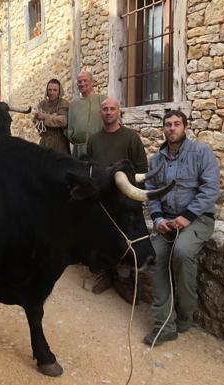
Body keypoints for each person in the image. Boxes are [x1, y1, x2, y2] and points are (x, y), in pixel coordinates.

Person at [143, 110, 219, 346]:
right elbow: (152, 193)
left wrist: (186, 217)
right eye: (168, 124)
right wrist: (157, 219)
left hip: (197, 219)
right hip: (167, 221)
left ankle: (185, 313)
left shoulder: (201, 152)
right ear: (163, 129)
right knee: (153, 257)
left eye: (177, 124)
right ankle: (164, 324)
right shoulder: (156, 161)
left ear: (185, 127)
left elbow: (210, 189)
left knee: (183, 252)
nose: (172, 128)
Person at [86, 97, 148, 303]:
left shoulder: (131, 138)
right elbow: (91, 169)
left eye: (112, 109)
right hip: (102, 201)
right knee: (102, 237)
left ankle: (123, 279)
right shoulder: (93, 140)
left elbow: (141, 169)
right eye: (105, 109)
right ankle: (106, 274)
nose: (109, 112)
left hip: (124, 202)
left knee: (124, 239)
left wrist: (132, 198)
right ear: (100, 113)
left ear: (119, 112)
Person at [66, 71, 105, 157]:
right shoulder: (73, 105)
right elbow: (70, 129)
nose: (82, 84)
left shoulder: (102, 99)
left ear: (92, 82)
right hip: (79, 150)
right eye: (79, 81)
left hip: (99, 148)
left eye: (85, 80)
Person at [33, 78, 70, 155]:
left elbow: (63, 121)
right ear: (47, 91)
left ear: (59, 91)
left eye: (55, 90)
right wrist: (53, 116)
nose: (52, 93)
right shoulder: (42, 104)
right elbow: (36, 121)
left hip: (60, 143)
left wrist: (45, 116)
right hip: (44, 142)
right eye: (50, 90)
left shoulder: (64, 103)